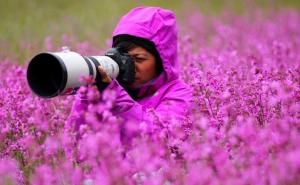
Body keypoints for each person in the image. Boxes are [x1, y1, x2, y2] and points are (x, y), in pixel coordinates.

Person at [69, 6, 192, 128]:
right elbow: (74, 141)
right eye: (122, 58)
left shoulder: (179, 94)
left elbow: (159, 138)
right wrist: (86, 98)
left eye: (139, 59)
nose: (128, 66)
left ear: (162, 61)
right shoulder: (109, 89)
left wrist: (115, 96)